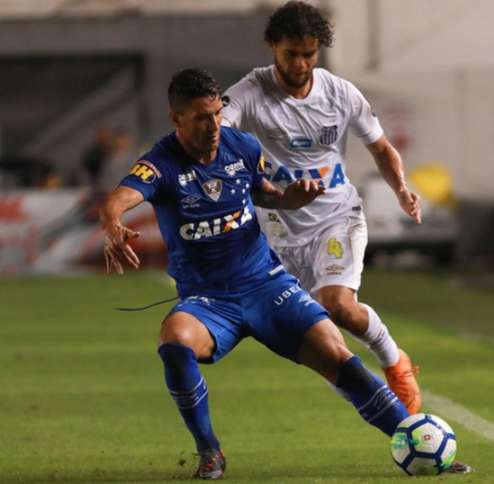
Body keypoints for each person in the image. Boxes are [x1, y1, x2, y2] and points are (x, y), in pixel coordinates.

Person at [101, 68, 470, 479]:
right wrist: (114, 222)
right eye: (201, 118)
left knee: (337, 354)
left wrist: (293, 198)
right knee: (174, 341)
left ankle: (417, 440)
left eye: (217, 114)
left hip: (265, 284)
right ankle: (210, 452)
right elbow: (120, 197)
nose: (213, 126)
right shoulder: (161, 163)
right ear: (177, 119)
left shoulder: (241, 145)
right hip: (209, 301)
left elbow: (268, 195)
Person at [221, 1, 423, 412]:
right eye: (290, 54)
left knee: (339, 307)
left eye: (308, 54)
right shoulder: (250, 92)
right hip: (277, 229)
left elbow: (381, 148)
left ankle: (394, 361)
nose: (299, 64)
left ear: (319, 50)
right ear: (272, 46)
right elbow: (217, 129)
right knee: (314, 334)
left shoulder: (339, 92)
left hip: (336, 217)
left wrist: (401, 189)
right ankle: (372, 404)